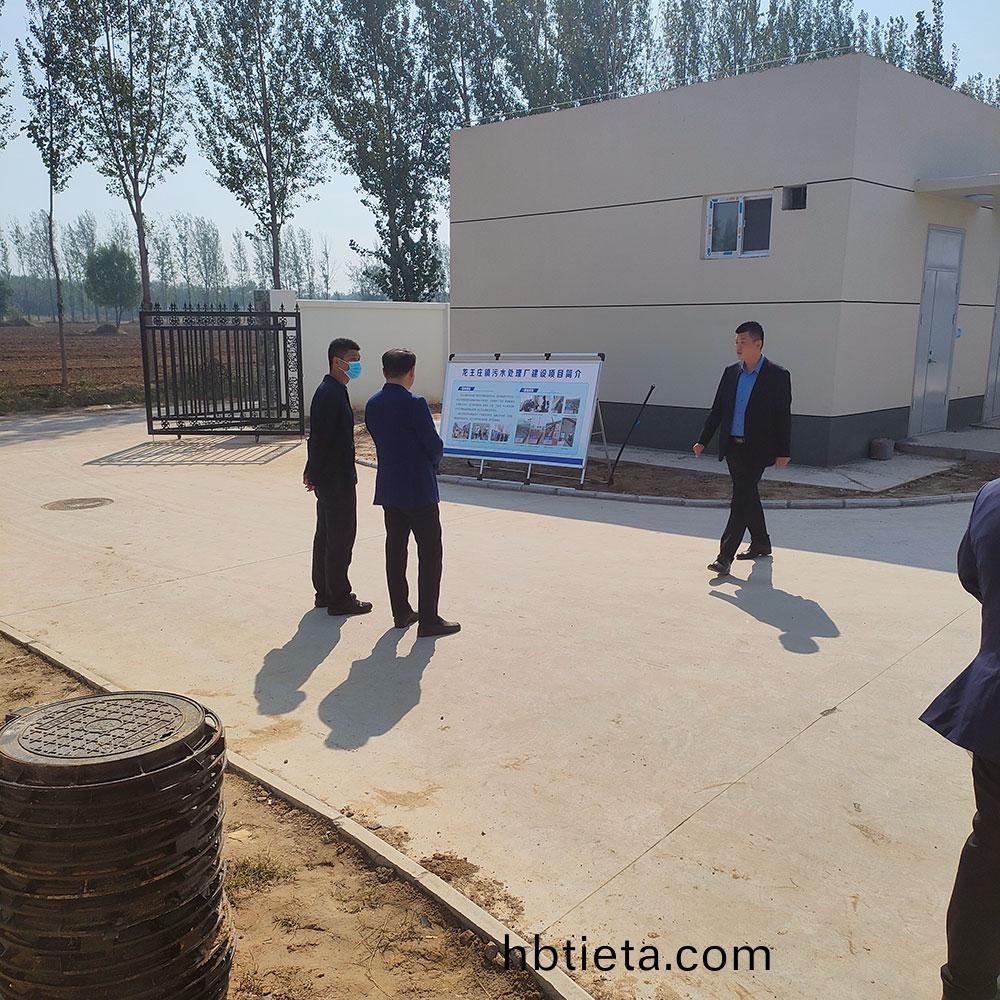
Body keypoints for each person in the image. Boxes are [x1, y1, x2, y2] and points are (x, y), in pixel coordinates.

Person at [921, 479, 1000, 1000]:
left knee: (991, 849)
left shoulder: (992, 495)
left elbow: (973, 577)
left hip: (995, 706)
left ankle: (968, 987)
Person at [365, 348, 460, 639]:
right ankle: (429, 619)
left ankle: (401, 611)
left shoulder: (373, 403)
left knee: (395, 551)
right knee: (430, 553)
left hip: (390, 488)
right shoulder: (415, 403)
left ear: (384, 371)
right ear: (412, 372)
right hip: (418, 489)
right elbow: (433, 445)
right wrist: (433, 463)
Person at [692, 321, 791, 575]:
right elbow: (717, 410)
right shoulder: (730, 373)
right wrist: (703, 440)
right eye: (736, 342)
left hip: (758, 449)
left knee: (740, 499)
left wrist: (784, 451)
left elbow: (783, 416)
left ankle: (724, 557)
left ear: (758, 344)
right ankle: (761, 542)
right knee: (748, 495)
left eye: (743, 342)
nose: (738, 347)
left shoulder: (777, 375)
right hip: (733, 447)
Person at [303, 337, 372, 617]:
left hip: (332, 476)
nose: (357, 366)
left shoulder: (334, 390)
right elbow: (320, 439)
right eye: (353, 360)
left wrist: (312, 471)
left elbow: (320, 438)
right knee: (340, 538)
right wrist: (314, 472)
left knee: (327, 535)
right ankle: (339, 598)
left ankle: (324, 592)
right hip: (336, 479)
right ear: (337, 361)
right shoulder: (329, 393)